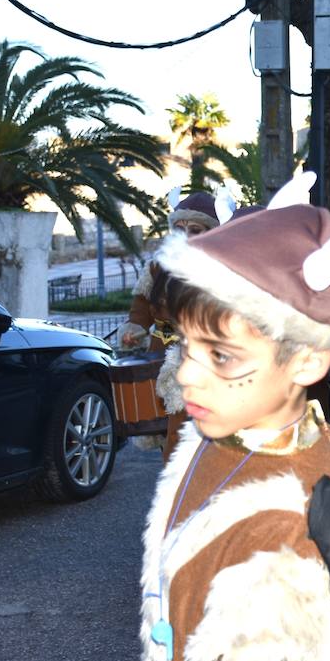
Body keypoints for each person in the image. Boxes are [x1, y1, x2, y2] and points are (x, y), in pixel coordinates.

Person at [132, 191, 330, 661]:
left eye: (221, 355)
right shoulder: (226, 436)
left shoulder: (286, 538)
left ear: (306, 359)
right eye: (185, 345)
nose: (186, 376)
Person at [120, 190, 227, 461]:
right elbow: (142, 302)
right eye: (179, 228)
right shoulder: (159, 265)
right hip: (161, 352)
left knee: (186, 427)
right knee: (165, 423)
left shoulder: (223, 267)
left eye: (194, 229)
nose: (185, 234)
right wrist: (134, 328)